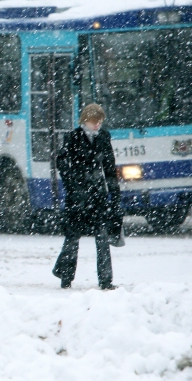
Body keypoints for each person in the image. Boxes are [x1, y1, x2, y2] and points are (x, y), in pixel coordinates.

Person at [52, 103, 120, 290]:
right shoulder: (73, 137)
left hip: (97, 196)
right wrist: (73, 185)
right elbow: (62, 163)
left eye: (100, 121)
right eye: (93, 121)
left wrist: (115, 197)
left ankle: (106, 281)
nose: (97, 124)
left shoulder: (104, 138)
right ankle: (66, 277)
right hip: (77, 197)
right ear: (85, 120)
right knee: (72, 238)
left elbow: (109, 168)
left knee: (102, 238)